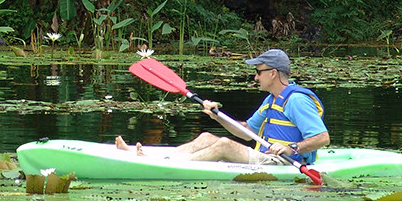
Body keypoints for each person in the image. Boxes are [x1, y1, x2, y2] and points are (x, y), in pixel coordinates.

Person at [115, 49, 329, 164]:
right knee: (208, 137)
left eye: (259, 72)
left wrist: (291, 147)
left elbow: (322, 138)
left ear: (273, 73)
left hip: (284, 161)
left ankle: (161, 164)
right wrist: (217, 116)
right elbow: (247, 132)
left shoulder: (297, 101)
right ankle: (151, 157)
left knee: (225, 144)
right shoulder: (272, 99)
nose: (255, 77)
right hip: (267, 155)